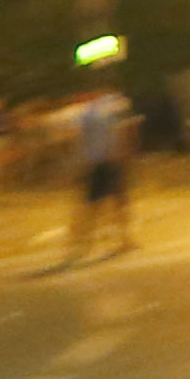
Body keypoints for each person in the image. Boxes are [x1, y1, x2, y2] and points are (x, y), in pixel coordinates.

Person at [64, 80, 138, 260]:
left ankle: (80, 242)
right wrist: (124, 153)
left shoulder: (84, 113)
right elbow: (123, 132)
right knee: (118, 201)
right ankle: (125, 239)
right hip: (109, 161)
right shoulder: (108, 110)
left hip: (94, 162)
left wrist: (77, 163)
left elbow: (76, 139)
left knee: (92, 204)